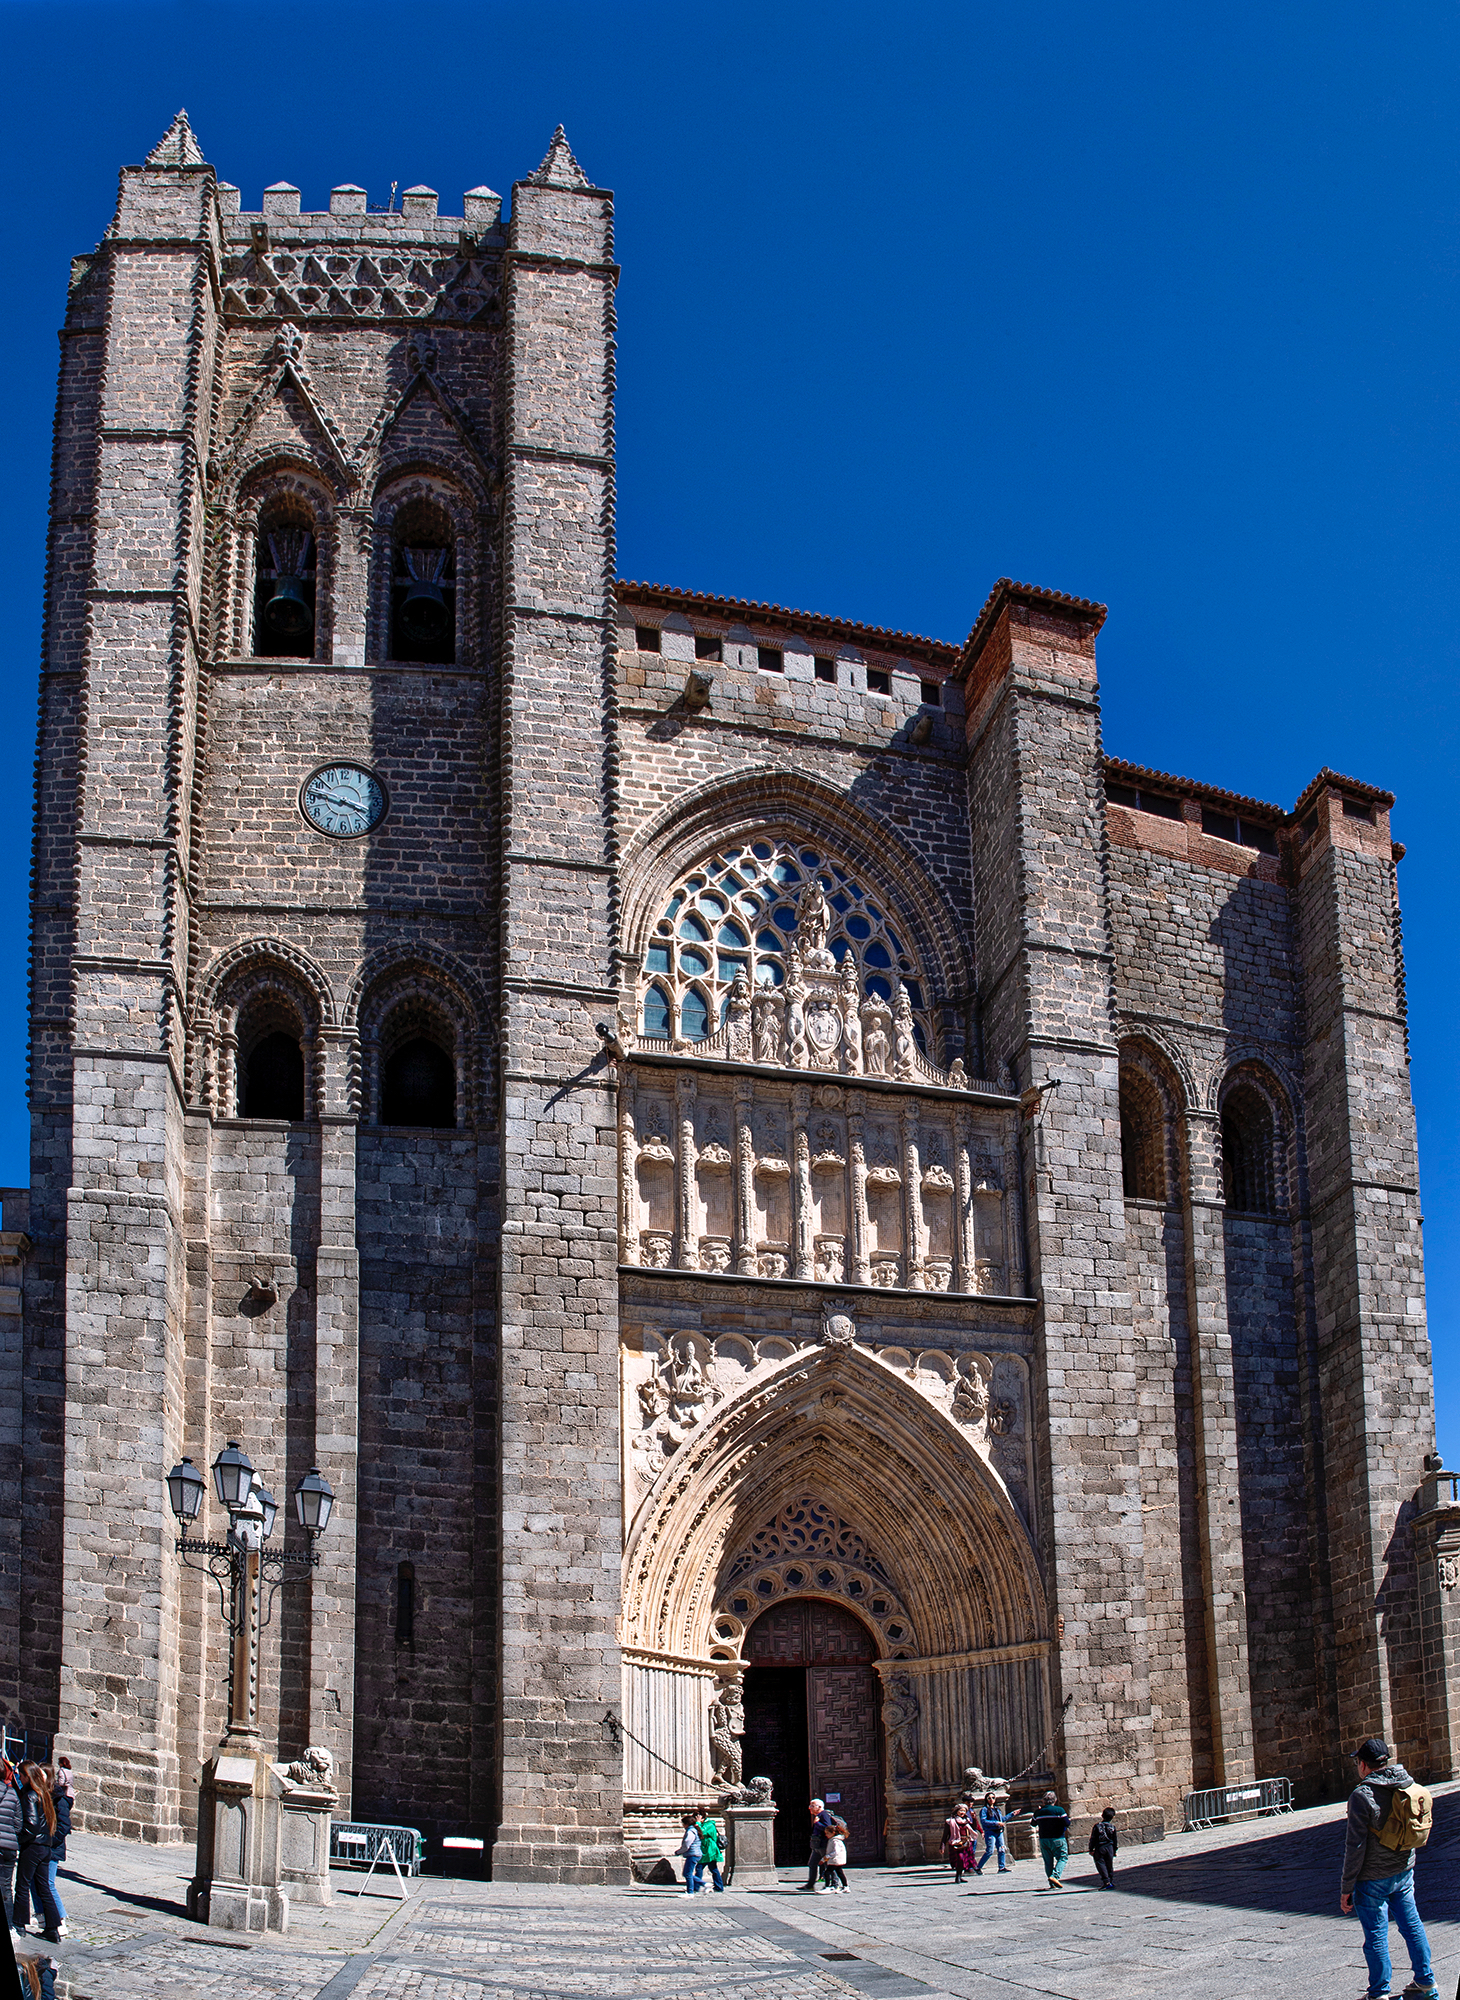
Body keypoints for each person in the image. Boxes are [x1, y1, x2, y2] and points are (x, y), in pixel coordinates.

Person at [1339, 1736, 1436, 2000]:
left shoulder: (1362, 1795)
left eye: (1358, 1761)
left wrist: (1346, 1888)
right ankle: (1426, 1983)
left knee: (1376, 1936)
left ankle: (1379, 1992)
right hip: (1403, 1870)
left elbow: (1354, 1847)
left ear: (1363, 1765)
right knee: (1412, 1925)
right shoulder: (1406, 1784)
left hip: (1372, 1878)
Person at [12, 1768, 59, 1943]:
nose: (20, 1779)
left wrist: (21, 1840)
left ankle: (19, 1924)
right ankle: (53, 1928)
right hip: (45, 1846)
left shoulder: (31, 1795)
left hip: (33, 1846)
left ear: (27, 1777)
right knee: (43, 1887)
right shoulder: (43, 1794)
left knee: (23, 1885)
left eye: (21, 1776)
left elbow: (31, 1824)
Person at [41, 1770, 69, 1938]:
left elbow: (64, 1825)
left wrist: (51, 1841)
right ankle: (44, 1916)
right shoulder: (45, 1796)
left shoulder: (59, 1799)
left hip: (52, 1847)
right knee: (39, 1884)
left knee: (49, 1884)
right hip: (45, 1845)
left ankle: (60, 1918)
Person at [1029, 1790, 1070, 1888]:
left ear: (1043, 1801)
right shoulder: (1059, 1810)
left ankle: (1052, 1883)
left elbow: (1033, 1824)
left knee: (1048, 1861)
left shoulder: (1038, 1812)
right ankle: (1055, 1876)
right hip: (1057, 1838)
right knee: (1063, 1857)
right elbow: (1067, 1823)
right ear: (1055, 1800)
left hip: (1044, 1839)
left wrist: (1040, 1811)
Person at [0, 1758, 20, 1935]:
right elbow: (18, 1824)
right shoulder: (12, 1794)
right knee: (6, 1887)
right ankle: (9, 1927)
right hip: (9, 1847)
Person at [799, 1799, 833, 1891]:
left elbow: (828, 1828)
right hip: (817, 1845)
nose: (810, 1808)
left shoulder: (824, 1814)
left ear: (819, 1807)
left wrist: (817, 1823)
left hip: (823, 1844)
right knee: (812, 1864)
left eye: (812, 1806)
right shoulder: (818, 1815)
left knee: (828, 1864)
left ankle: (832, 1884)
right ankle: (810, 1885)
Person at [973, 1793, 1009, 1876]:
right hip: (990, 1832)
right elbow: (984, 1821)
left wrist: (1012, 1814)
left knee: (1002, 1849)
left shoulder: (997, 1809)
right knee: (990, 1851)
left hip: (999, 1832)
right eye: (989, 1798)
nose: (991, 1799)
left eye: (993, 1797)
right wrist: (996, 1823)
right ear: (986, 1799)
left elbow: (1002, 1819)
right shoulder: (984, 1810)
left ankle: (1001, 1867)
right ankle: (978, 1867)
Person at [941, 1803, 977, 1884]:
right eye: (961, 1810)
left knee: (965, 1860)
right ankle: (958, 1876)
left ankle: (960, 1875)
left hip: (965, 1843)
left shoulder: (966, 1820)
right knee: (960, 1859)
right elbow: (945, 1834)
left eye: (964, 1811)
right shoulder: (950, 1822)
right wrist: (942, 1845)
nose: (962, 1812)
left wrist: (974, 1818)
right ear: (956, 1811)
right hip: (956, 1843)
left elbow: (974, 1828)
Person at [695, 1809, 725, 1892]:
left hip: (709, 1849)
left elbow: (702, 1832)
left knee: (700, 1867)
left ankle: (696, 1886)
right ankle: (719, 1886)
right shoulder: (702, 1824)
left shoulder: (709, 1824)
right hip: (705, 1849)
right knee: (713, 1868)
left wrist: (698, 1823)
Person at [1088, 1807, 1118, 1889]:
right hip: (1110, 1847)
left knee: (1100, 1863)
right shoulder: (1112, 1827)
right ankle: (1110, 1880)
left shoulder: (1097, 1826)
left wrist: (1091, 1849)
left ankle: (1106, 1881)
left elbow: (1093, 1838)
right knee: (1109, 1864)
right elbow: (1115, 1840)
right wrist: (1114, 1850)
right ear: (1113, 1817)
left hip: (1100, 1847)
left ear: (1102, 1815)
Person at [675, 1812, 703, 1894]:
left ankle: (692, 1890)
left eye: (683, 1824)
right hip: (695, 1853)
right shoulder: (694, 1830)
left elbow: (687, 1844)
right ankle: (694, 1888)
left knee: (688, 1874)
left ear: (687, 1824)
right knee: (687, 1873)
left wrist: (679, 1852)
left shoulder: (690, 1832)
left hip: (693, 1854)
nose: (683, 1825)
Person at [822, 1814, 849, 1893]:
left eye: (827, 1833)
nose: (826, 1835)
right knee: (840, 1872)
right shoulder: (836, 1840)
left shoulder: (834, 1841)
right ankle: (846, 1886)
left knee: (827, 1872)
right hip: (838, 1860)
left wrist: (827, 1857)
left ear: (833, 1833)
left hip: (835, 1860)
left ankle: (828, 1887)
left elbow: (835, 1852)